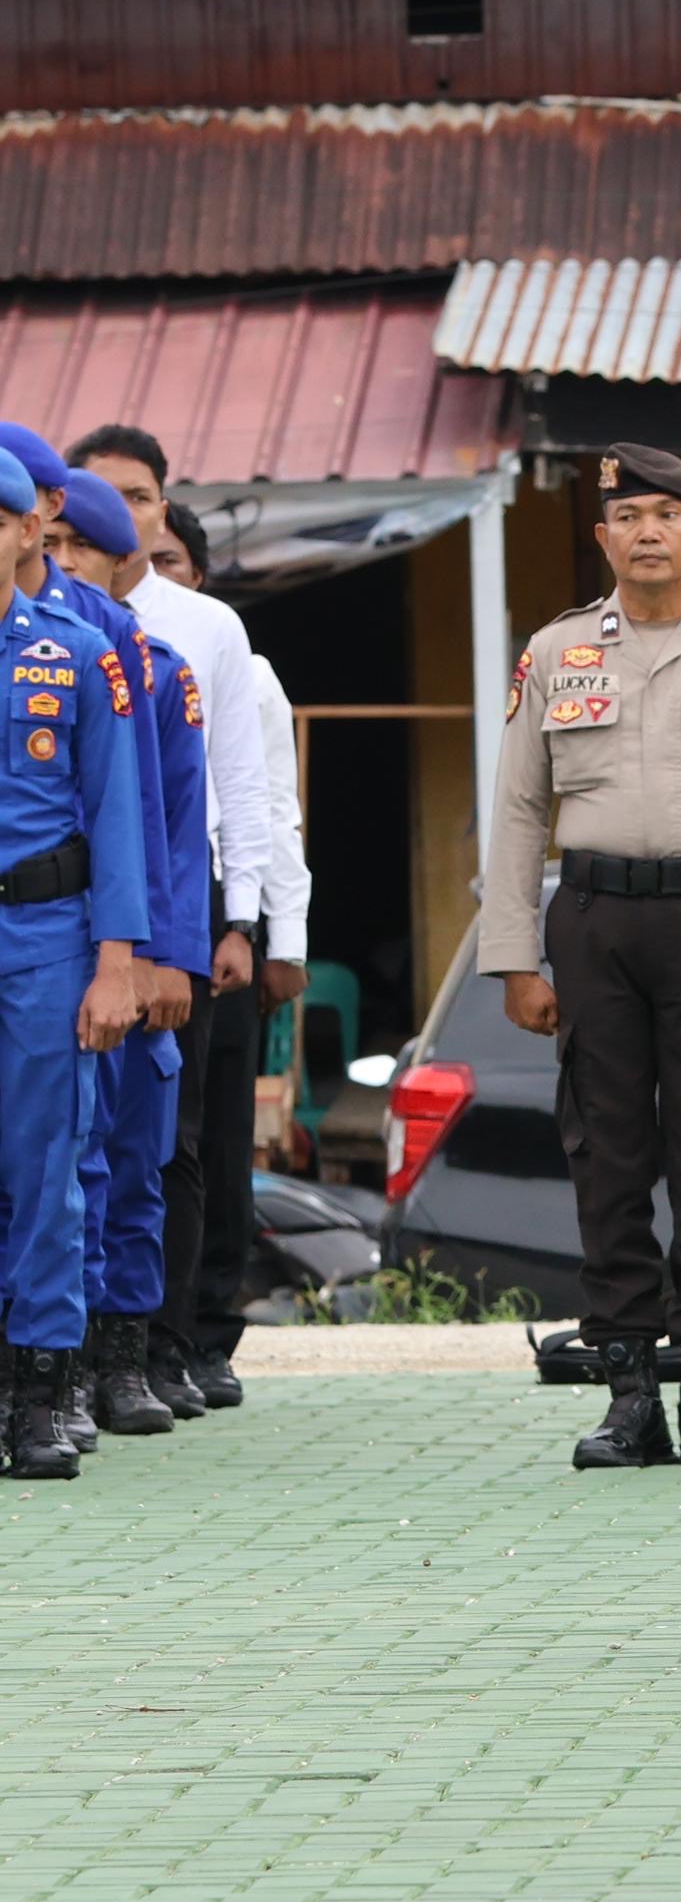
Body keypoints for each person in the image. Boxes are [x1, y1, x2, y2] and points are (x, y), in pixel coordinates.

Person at [475, 444, 681, 1470]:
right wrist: (513, 955)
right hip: (593, 918)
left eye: (668, 514)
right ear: (601, 537)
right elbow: (517, 808)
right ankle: (629, 1386)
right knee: (607, 1155)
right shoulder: (556, 653)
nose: (648, 531)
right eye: (628, 515)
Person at [72, 426, 281, 1431]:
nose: (121, 515)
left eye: (140, 496)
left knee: (173, 1135)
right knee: (70, 1137)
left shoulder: (200, 629)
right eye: (97, 497)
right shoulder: (38, 624)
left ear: (159, 507)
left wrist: (239, 916)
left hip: (173, 898)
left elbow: (238, 783)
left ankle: (162, 1340)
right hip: (57, 903)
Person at [43, 463, 206, 1446]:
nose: (59, 564)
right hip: (50, 932)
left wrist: (164, 951)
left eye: (76, 551)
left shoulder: (145, 662)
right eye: (52, 544)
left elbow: (171, 825)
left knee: (133, 1152)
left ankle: (121, 1349)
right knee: (64, 1157)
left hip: (122, 939)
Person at [0, 440, 149, 1475]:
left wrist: (117, 963)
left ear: (25, 532)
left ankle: (39, 1395)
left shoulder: (77, 652)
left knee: (45, 1165)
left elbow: (122, 819)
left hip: (46, 933)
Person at [146, 499, 298, 1409]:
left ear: (197, 572)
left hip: (222, 915)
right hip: (143, 904)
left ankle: (206, 1329)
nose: (155, 572)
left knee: (213, 1134)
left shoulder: (234, 659)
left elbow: (269, 805)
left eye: (170, 556)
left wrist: (281, 934)